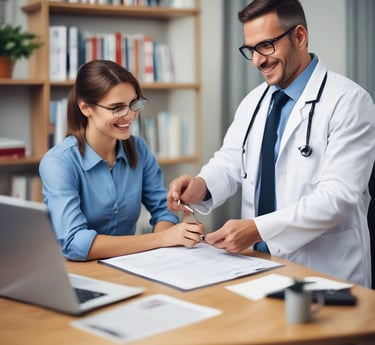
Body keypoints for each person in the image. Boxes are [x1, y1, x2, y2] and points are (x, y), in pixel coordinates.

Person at [168, 0, 375, 287]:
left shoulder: (349, 101)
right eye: (251, 50)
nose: (257, 60)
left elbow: (338, 197)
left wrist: (257, 229)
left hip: (327, 271)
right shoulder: (254, 101)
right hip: (258, 266)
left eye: (266, 45)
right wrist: (200, 185)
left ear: (299, 36)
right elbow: (229, 160)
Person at [39, 60, 204, 261]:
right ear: (85, 108)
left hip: (128, 267)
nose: (130, 116)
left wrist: (169, 242)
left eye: (134, 104)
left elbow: (164, 210)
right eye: (117, 108)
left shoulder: (139, 149)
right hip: (75, 274)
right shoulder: (58, 162)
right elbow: (75, 243)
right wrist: (161, 239)